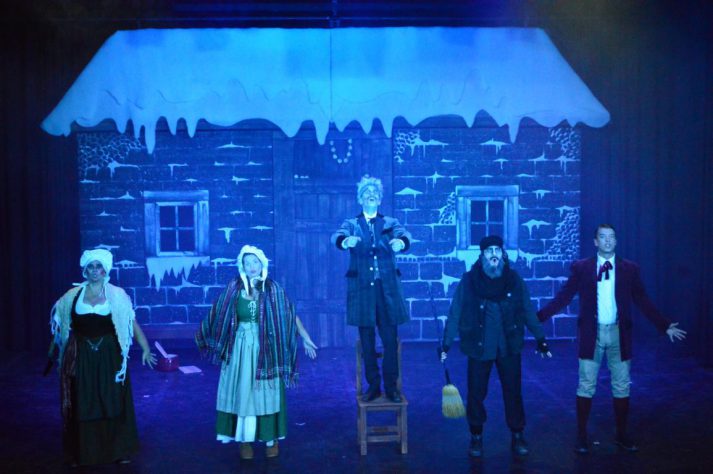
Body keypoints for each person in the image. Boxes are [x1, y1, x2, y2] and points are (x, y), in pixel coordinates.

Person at [537, 224, 687, 454]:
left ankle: (621, 434)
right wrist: (538, 318)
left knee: (621, 384)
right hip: (592, 332)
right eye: (603, 237)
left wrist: (663, 324)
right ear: (595, 241)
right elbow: (564, 297)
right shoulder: (582, 268)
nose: (607, 241)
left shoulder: (629, 269)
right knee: (586, 384)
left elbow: (642, 299)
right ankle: (581, 435)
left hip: (619, 333)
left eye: (611, 237)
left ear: (615, 241)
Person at [196, 245, 317, 460]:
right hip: (240, 349)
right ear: (242, 265)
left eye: (255, 262)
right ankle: (245, 440)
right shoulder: (234, 288)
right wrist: (202, 336)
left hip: (267, 349)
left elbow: (289, 315)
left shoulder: (273, 289)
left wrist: (306, 337)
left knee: (266, 393)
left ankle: (271, 439)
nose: (251, 266)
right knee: (243, 392)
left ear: (262, 264)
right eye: (247, 262)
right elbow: (218, 313)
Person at [441, 235, 552, 457]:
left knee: (513, 392)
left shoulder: (514, 280)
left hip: (508, 345)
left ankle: (518, 434)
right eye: (489, 250)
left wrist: (540, 339)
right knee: (476, 394)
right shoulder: (469, 281)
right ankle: (476, 436)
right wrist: (446, 344)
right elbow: (455, 313)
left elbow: (528, 311)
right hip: (479, 346)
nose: (494, 254)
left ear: (503, 254)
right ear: (481, 255)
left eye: (497, 250)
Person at [50, 249, 156, 466]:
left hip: (109, 355)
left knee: (111, 398)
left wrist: (145, 348)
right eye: (91, 266)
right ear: (85, 270)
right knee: (83, 399)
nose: (94, 270)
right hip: (81, 355)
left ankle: (118, 450)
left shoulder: (116, 295)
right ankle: (82, 452)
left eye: (98, 266)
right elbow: (61, 325)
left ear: (105, 270)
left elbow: (131, 322)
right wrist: (53, 349)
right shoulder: (72, 296)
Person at [331, 175, 411, 403]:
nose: (371, 195)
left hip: (387, 293)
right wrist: (345, 242)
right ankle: (373, 386)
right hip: (363, 293)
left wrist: (401, 243)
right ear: (360, 199)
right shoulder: (352, 223)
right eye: (366, 193)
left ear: (379, 199)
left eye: (374, 193)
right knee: (367, 342)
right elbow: (337, 235)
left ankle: (391, 387)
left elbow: (404, 235)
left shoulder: (390, 222)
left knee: (390, 340)